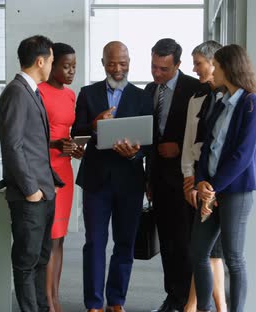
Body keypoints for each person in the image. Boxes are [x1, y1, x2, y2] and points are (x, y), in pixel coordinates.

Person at [72, 41, 153, 312]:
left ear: (130, 61)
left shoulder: (142, 97)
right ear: (103, 62)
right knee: (94, 242)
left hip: (130, 181)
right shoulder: (87, 94)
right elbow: (77, 133)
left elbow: (149, 142)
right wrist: (95, 125)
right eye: (112, 63)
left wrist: (134, 154)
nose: (118, 68)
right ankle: (94, 303)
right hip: (96, 180)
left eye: (123, 63)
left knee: (125, 243)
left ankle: (116, 301)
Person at [192, 44, 256, 312]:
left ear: (228, 68)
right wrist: (202, 181)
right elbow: (207, 146)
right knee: (198, 253)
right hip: (210, 188)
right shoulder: (221, 102)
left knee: (234, 258)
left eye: (217, 66)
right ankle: (204, 308)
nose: (213, 70)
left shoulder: (252, 105)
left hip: (235, 191)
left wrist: (213, 186)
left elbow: (244, 155)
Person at [0, 35, 65, 312]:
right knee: (26, 263)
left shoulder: (31, 91)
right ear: (40, 61)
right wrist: (30, 190)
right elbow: (12, 146)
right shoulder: (15, 92)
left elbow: (33, 143)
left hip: (44, 192)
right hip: (30, 196)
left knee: (40, 259)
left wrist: (49, 185)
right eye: (51, 60)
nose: (52, 66)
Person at [145, 38, 201, 312]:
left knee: (184, 242)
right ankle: (172, 296)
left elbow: (203, 133)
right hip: (159, 179)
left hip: (185, 178)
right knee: (166, 242)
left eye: (163, 69)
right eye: (154, 66)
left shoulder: (194, 89)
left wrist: (179, 147)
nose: (157, 74)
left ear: (177, 65)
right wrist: (148, 180)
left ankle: (187, 299)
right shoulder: (149, 89)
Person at [180, 41, 227, 312]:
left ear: (214, 63)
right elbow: (189, 143)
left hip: (216, 182)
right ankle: (212, 306)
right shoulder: (196, 99)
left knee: (210, 251)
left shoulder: (228, 100)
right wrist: (188, 179)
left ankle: (198, 305)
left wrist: (209, 184)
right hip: (197, 179)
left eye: (198, 63)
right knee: (206, 250)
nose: (194, 68)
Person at [38, 42, 83, 312]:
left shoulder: (70, 95)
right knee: (49, 237)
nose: (70, 71)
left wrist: (75, 148)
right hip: (45, 167)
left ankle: (55, 296)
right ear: (52, 65)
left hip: (65, 167)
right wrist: (55, 145)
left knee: (60, 238)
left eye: (74, 67)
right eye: (65, 66)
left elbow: (67, 132)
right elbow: (31, 137)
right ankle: (48, 301)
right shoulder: (38, 92)